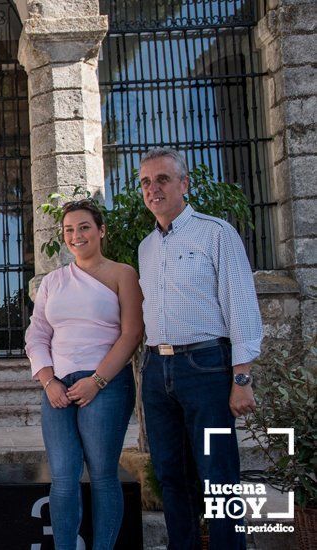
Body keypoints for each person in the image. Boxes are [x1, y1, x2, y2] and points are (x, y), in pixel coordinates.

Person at [138, 147, 261, 549]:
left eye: (163, 179)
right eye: (146, 182)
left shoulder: (215, 232)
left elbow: (240, 303)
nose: (153, 189)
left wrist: (241, 377)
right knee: (171, 475)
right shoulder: (146, 248)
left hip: (206, 369)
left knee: (218, 476)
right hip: (157, 372)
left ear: (184, 184)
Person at [25, 199, 143, 549]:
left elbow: (132, 333)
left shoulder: (124, 274)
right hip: (57, 388)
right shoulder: (53, 281)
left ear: (101, 230)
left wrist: (97, 381)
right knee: (62, 478)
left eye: (84, 227)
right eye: (69, 230)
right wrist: (48, 381)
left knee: (104, 475)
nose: (76, 235)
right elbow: (37, 333)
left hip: (105, 385)